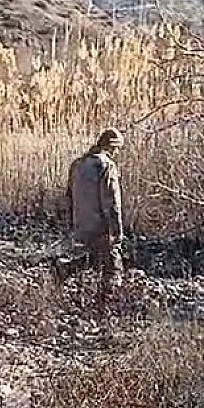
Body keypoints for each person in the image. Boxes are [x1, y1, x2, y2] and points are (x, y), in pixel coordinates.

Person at [52, 127, 125, 297]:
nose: (116, 153)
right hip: (100, 226)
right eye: (117, 149)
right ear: (111, 146)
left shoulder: (77, 164)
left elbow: (68, 197)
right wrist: (117, 233)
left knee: (92, 258)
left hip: (80, 224)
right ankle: (110, 304)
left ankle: (63, 269)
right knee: (113, 267)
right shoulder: (107, 166)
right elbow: (112, 203)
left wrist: (72, 224)